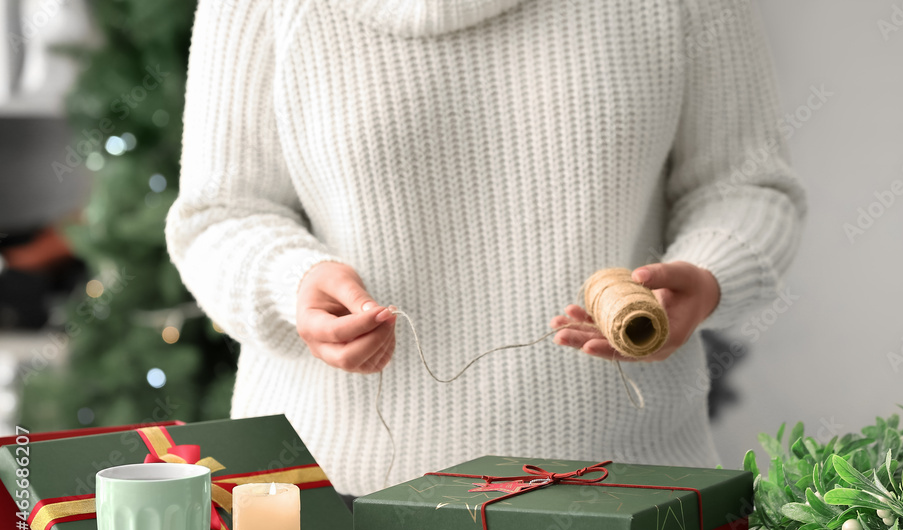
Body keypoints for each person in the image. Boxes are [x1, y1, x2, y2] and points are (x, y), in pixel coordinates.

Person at [166, 0, 805, 498]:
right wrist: (290, 283)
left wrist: (708, 276)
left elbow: (745, 185)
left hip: (628, 498)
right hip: (329, 512)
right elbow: (219, 213)